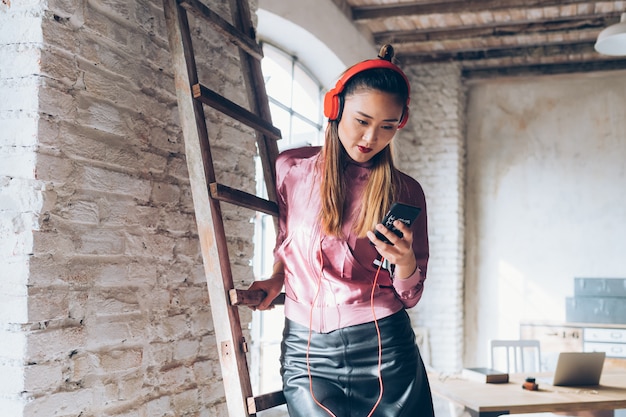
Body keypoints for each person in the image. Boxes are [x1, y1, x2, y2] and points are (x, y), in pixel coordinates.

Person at [249, 44, 434, 417]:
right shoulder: (290, 169)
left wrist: (405, 260)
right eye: (362, 121)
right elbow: (289, 243)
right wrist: (275, 280)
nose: (370, 138)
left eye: (387, 126)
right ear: (335, 110)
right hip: (307, 351)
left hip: (386, 350)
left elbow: (411, 296)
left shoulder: (406, 190)